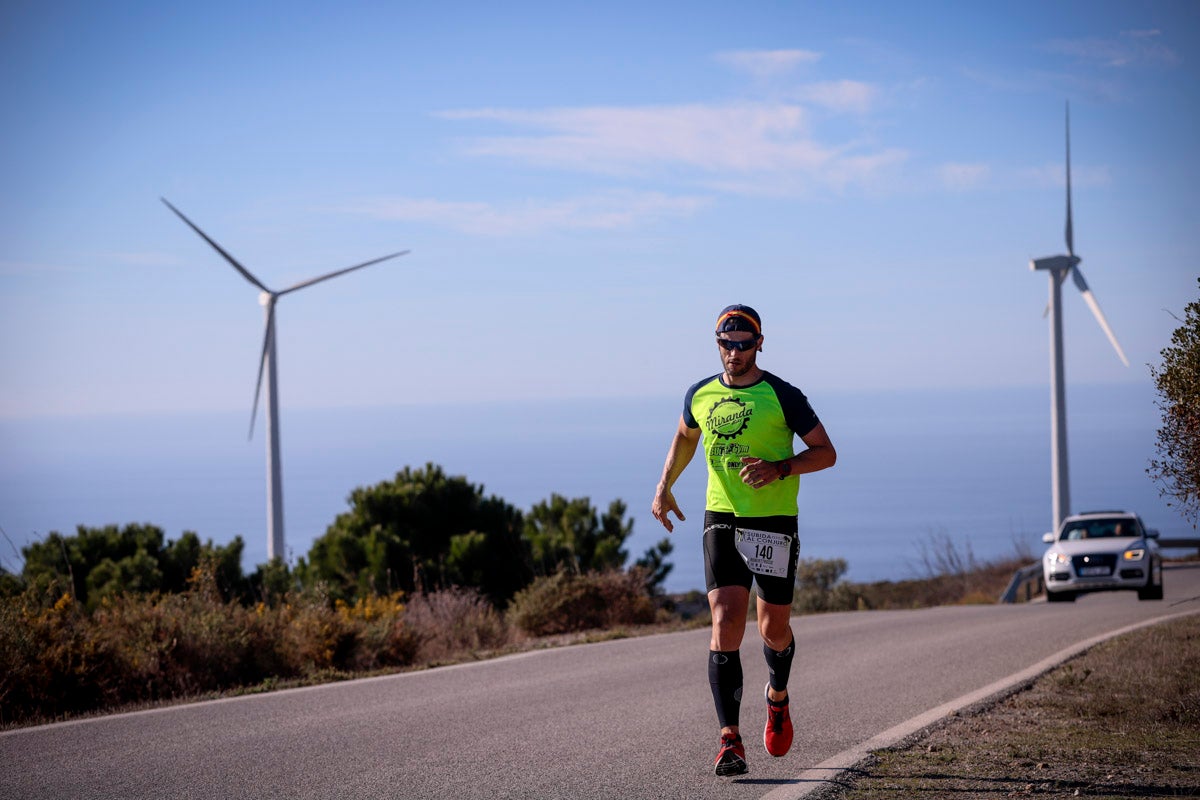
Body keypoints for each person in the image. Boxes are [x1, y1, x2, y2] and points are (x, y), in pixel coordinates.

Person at [651, 304, 837, 777]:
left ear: (759, 344)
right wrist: (664, 484)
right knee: (725, 619)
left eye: (743, 343)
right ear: (716, 343)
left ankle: (777, 696)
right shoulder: (700, 393)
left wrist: (781, 467)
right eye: (726, 343)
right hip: (722, 517)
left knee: (772, 629)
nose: (734, 352)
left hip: (773, 520)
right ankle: (729, 741)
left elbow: (826, 453)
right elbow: (685, 434)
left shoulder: (783, 395)